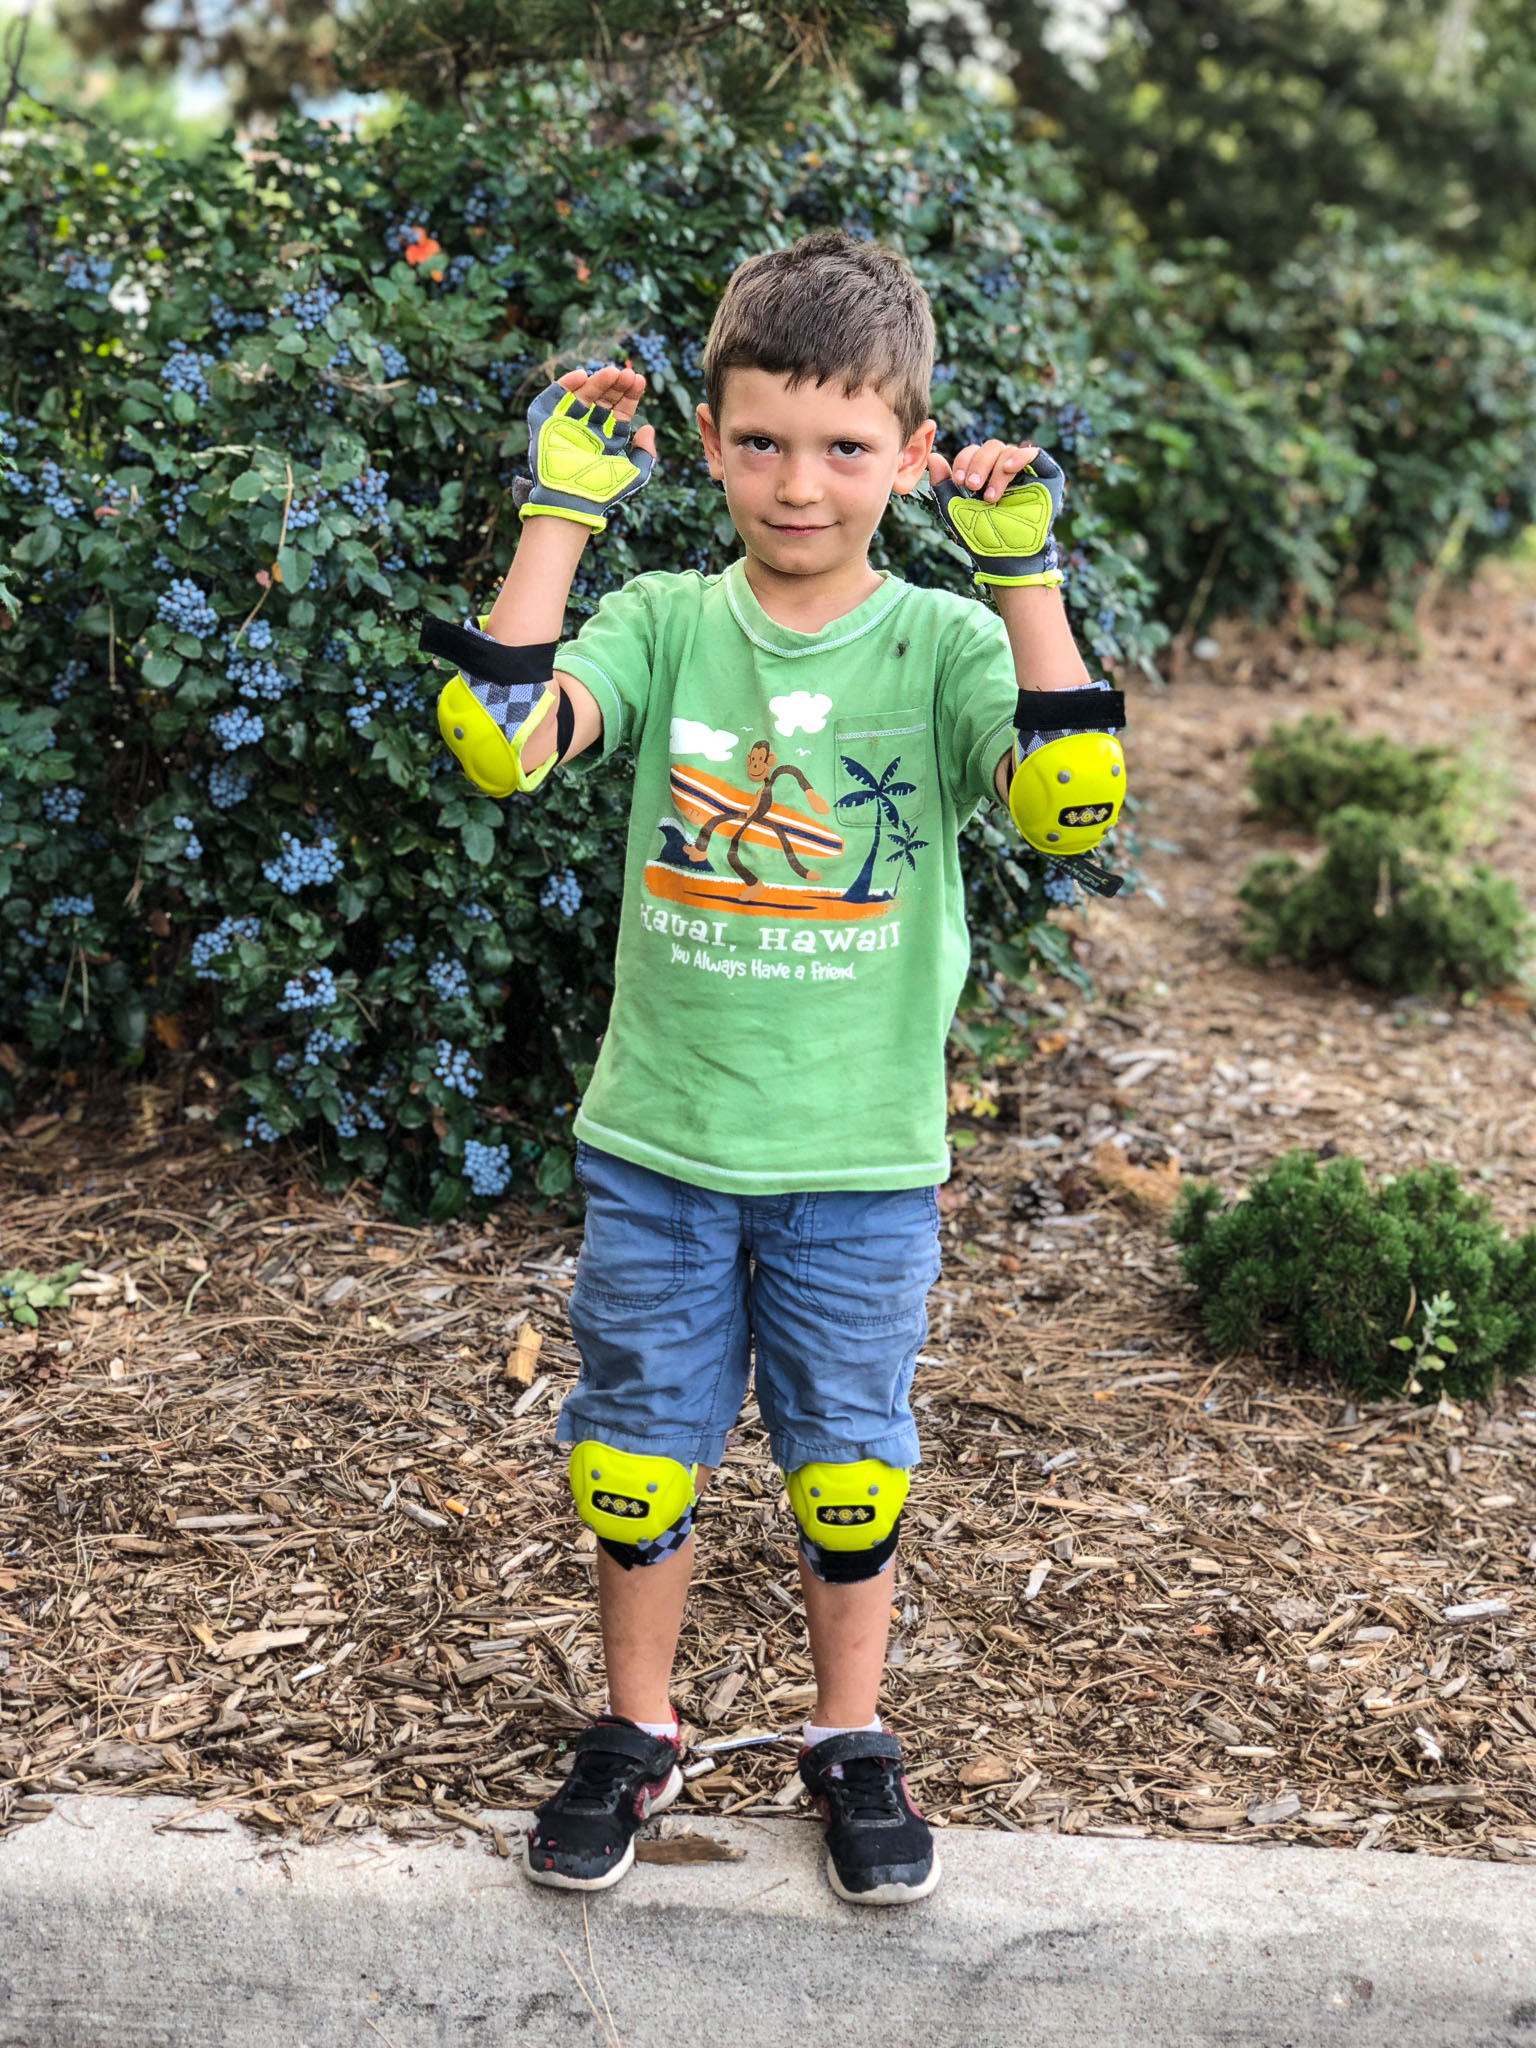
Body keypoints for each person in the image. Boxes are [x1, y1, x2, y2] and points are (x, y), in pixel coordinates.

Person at [421, 228, 1126, 1906]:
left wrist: (1026, 576)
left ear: (912, 451)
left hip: (859, 1159)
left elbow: (1069, 804)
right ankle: (638, 1728)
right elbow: (500, 744)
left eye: (845, 448)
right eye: (760, 442)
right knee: (634, 1456)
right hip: (664, 1142)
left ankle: (850, 1734)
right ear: (711, 441)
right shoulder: (666, 622)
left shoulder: (943, 646)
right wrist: (557, 512)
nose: (799, 484)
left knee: (850, 1471)